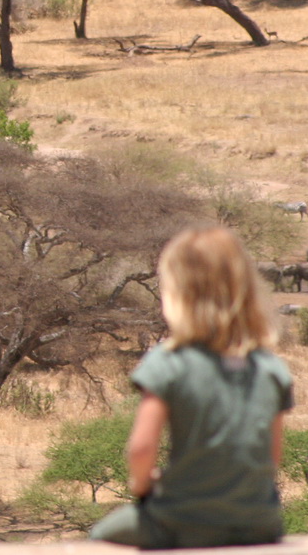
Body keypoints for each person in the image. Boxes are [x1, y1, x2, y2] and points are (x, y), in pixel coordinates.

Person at [90, 227, 293, 549]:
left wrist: (143, 485)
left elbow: (142, 449)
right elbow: (272, 456)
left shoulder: (168, 362)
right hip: (261, 523)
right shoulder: (271, 369)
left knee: (100, 535)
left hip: (181, 521)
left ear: (177, 292)